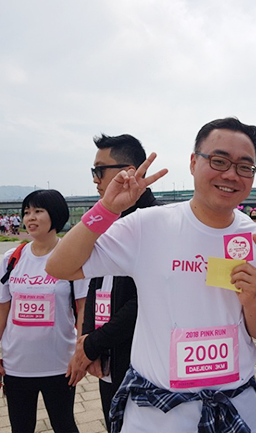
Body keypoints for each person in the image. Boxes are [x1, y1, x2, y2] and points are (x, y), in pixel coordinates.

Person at [46, 118, 256, 433]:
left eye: (244, 166)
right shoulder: (148, 225)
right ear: (193, 162)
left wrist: (251, 299)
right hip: (156, 415)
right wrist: (106, 209)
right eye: (219, 161)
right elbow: (58, 267)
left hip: (235, 408)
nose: (230, 174)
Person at [66, 133, 161, 432]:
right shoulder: (109, 216)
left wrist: (93, 344)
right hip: (108, 354)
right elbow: (94, 283)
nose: (95, 179)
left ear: (128, 172)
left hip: (140, 360)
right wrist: (88, 338)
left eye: (99, 170)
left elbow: (145, 300)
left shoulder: (154, 221)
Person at [0, 190, 89, 433]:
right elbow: (1, 309)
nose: (30, 217)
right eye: (27, 212)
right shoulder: (12, 259)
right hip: (17, 365)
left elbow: (83, 308)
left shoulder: (72, 258)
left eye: (38, 211)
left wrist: (80, 355)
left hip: (60, 365)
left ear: (56, 215)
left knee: (64, 425)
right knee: (21, 427)